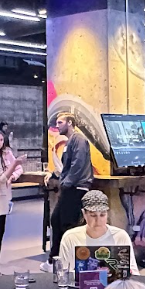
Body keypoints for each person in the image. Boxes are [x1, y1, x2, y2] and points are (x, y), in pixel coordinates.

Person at [57, 189, 140, 274]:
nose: (98, 220)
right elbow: (63, 273)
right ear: (84, 213)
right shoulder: (71, 237)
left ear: (108, 213)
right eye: (93, 215)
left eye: (102, 215)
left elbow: (133, 272)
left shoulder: (120, 236)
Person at [48, 113, 93, 264]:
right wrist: (55, 175)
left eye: (60, 122)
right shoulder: (70, 141)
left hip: (77, 187)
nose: (57, 125)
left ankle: (66, 260)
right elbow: (67, 167)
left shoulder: (78, 139)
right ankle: (56, 258)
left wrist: (66, 183)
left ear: (69, 122)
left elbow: (78, 164)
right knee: (56, 220)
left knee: (67, 224)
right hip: (70, 186)